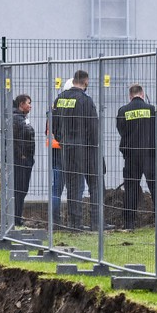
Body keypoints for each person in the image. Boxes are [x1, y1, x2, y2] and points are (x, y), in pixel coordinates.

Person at [52, 69, 102, 231]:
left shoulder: (60, 99)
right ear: (85, 82)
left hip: (67, 149)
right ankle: (96, 222)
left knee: (72, 185)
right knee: (94, 184)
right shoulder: (86, 101)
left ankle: (75, 223)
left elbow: (54, 125)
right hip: (86, 149)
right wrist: (94, 148)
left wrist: (63, 141)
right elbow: (93, 128)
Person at [116, 83, 156, 230]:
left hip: (131, 155)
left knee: (131, 188)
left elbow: (121, 130)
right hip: (149, 154)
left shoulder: (123, 111)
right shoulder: (152, 110)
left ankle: (129, 223)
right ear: (142, 94)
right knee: (155, 187)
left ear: (130, 96)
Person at [46, 78, 73, 229]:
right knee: (74, 186)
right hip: (66, 149)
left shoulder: (54, 104)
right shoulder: (72, 104)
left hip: (55, 149)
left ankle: (54, 220)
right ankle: (72, 220)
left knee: (56, 187)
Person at [12, 94, 35, 227]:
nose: (30, 105)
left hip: (26, 160)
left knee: (22, 189)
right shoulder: (16, 119)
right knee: (19, 189)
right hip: (20, 162)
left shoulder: (22, 119)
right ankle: (16, 218)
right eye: (28, 103)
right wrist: (21, 156)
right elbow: (12, 141)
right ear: (21, 104)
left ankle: (17, 217)